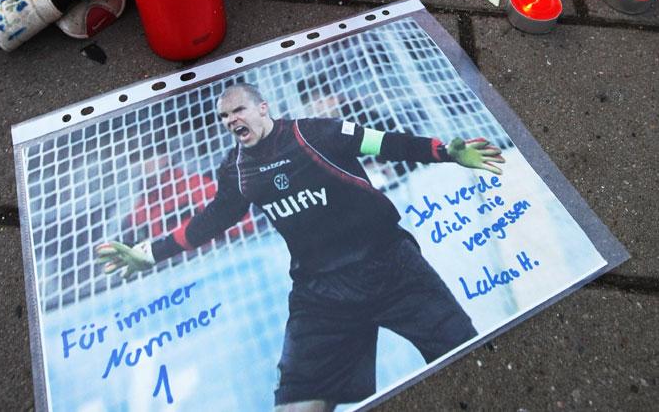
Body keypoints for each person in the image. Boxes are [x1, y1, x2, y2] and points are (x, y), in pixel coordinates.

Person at [97, 83, 505, 411]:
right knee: (295, 404)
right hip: (321, 294)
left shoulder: (315, 133)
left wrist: (445, 153)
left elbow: (384, 144)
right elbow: (213, 220)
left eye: (238, 110)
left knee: (470, 361)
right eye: (223, 116)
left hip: (392, 268)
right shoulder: (237, 170)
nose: (230, 120)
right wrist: (150, 253)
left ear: (263, 108)